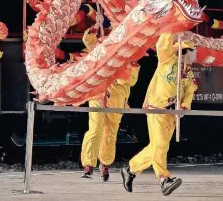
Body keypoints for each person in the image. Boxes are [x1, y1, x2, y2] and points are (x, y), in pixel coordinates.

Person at [120, 32, 198, 196]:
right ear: (185, 51)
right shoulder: (167, 60)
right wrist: (171, 31)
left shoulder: (189, 72)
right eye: (193, 51)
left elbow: (189, 92)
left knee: (158, 147)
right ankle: (164, 179)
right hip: (157, 108)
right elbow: (162, 45)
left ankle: (130, 169)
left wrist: (184, 107)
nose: (196, 54)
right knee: (161, 145)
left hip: (172, 113)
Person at [79, 28, 140, 181]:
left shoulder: (130, 57)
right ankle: (88, 164)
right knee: (95, 129)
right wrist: (90, 33)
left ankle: (105, 163)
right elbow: (90, 43)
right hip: (97, 96)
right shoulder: (103, 47)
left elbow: (131, 80)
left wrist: (115, 72)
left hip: (117, 99)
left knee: (110, 133)